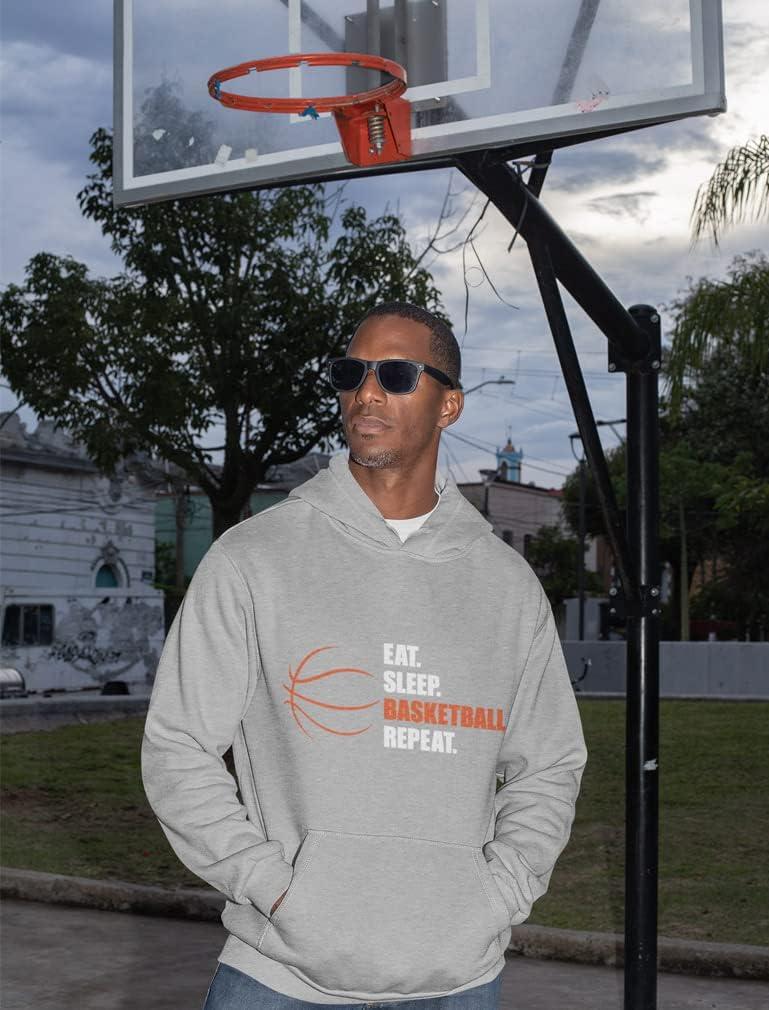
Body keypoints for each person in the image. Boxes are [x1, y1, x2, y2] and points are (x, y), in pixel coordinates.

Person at [141, 301, 588, 1010]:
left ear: (448, 405)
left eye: (396, 374)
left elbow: (550, 765)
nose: (366, 392)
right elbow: (178, 746)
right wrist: (273, 887)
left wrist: (500, 891)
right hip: (277, 976)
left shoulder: (506, 586)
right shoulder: (254, 558)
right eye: (351, 373)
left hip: (456, 981)